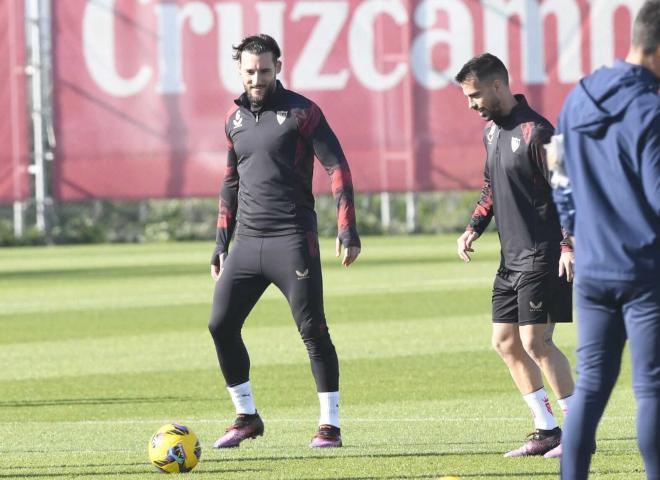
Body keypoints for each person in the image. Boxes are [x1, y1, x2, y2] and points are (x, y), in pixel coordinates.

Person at [208, 34, 361, 449]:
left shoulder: (302, 112)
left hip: (292, 239)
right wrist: (221, 243)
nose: (257, 78)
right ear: (239, 70)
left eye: (265, 70)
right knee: (220, 325)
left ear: (279, 66)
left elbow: (337, 167)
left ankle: (329, 425)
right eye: (250, 71)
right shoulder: (233, 119)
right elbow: (230, 183)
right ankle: (246, 416)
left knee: (312, 330)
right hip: (246, 243)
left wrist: (346, 227)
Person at [549, 1, 660, 477]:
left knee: (591, 387)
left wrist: (575, 238)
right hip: (645, 271)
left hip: (593, 269)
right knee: (652, 389)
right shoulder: (651, 109)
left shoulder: (579, 97)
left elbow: (561, 183)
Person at [454, 53, 576, 457]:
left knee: (536, 341)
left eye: (474, 96)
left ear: (498, 86)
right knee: (505, 342)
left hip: (543, 254)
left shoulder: (537, 133)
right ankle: (546, 430)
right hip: (511, 259)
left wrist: (568, 243)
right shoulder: (491, 133)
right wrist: (473, 227)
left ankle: (577, 431)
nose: (470, 105)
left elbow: (568, 189)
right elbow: (490, 188)